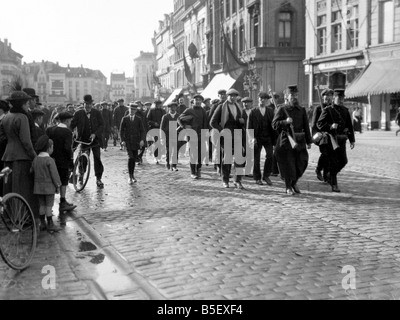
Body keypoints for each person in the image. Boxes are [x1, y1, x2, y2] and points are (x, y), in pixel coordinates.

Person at [0, 91, 40, 228]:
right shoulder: (22, 117)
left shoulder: (6, 117)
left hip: (7, 157)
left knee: (9, 187)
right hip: (21, 157)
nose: (28, 104)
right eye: (26, 102)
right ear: (22, 104)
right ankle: (21, 217)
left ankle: (9, 216)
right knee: (21, 188)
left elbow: (3, 138)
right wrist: (34, 156)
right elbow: (26, 141)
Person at [272, 85, 312, 196]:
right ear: (286, 96)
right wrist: (284, 122)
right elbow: (274, 124)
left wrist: (309, 141)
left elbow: (306, 126)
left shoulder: (301, 110)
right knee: (289, 165)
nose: (294, 97)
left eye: (296, 95)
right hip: (287, 140)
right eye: (292, 95)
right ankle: (288, 186)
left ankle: (294, 182)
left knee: (302, 162)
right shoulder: (282, 109)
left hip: (299, 140)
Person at [317, 88, 355, 192]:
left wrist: (352, 140)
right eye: (339, 97)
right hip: (331, 141)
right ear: (334, 98)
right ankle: (334, 185)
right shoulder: (328, 110)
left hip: (342, 140)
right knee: (333, 162)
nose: (341, 100)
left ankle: (330, 174)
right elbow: (319, 124)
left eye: (342, 98)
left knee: (343, 161)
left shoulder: (345, 111)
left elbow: (349, 126)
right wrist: (330, 126)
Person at [210, 89, 246, 189]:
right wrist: (222, 130)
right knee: (227, 159)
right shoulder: (221, 107)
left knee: (240, 158)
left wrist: (242, 122)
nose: (233, 97)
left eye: (235, 96)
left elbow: (243, 122)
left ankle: (237, 180)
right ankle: (225, 180)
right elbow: (212, 122)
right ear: (227, 96)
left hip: (237, 135)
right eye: (231, 96)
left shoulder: (239, 107)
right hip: (226, 136)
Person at [70, 94, 105, 188]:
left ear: (92, 104)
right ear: (84, 104)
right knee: (83, 159)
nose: (88, 106)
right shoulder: (78, 113)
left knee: (97, 159)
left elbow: (102, 125)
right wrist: (68, 132)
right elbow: (72, 125)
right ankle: (81, 174)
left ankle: (98, 179)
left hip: (95, 141)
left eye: (90, 104)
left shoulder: (97, 113)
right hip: (84, 141)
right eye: (86, 104)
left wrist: (95, 134)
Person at [46, 112, 76, 212]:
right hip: (63, 161)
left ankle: (49, 205)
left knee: (51, 181)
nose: (70, 122)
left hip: (51, 159)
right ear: (67, 121)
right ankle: (62, 202)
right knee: (63, 181)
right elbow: (67, 148)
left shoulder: (50, 129)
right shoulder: (67, 132)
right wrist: (70, 161)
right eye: (70, 121)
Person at [31, 135, 62, 232]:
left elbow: (31, 171)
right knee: (49, 206)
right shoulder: (50, 160)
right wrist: (58, 185)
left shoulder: (36, 159)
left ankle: (42, 224)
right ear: (49, 148)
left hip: (38, 188)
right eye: (52, 147)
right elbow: (55, 175)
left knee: (42, 206)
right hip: (49, 188)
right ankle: (50, 224)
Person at [247, 92, 277, 186]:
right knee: (256, 158)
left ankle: (266, 175)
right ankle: (257, 177)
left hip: (268, 137)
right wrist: (252, 138)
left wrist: (275, 140)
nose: (263, 100)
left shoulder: (270, 111)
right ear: (258, 99)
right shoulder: (253, 111)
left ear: (267, 100)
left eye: (265, 99)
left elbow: (273, 126)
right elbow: (249, 127)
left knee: (270, 155)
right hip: (257, 138)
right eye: (261, 98)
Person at [178, 94, 208, 179]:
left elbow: (205, 123)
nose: (198, 101)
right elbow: (179, 119)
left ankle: (198, 168)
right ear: (193, 101)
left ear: (201, 102)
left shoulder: (203, 111)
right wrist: (184, 126)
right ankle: (193, 172)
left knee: (201, 154)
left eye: (200, 100)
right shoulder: (189, 110)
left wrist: (206, 133)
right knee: (193, 154)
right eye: (196, 100)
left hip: (201, 135)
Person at [311, 88, 333, 183]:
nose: (327, 98)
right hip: (321, 136)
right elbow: (314, 123)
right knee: (325, 153)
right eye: (325, 96)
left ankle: (326, 175)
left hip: (331, 136)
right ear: (322, 97)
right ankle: (318, 169)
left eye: (329, 96)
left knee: (330, 155)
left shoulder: (333, 108)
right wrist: (315, 136)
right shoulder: (318, 108)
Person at [120, 103, 145, 184]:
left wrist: (142, 140)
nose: (132, 111)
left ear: (136, 110)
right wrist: (122, 140)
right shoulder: (125, 119)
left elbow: (142, 131)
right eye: (131, 109)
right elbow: (121, 131)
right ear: (129, 109)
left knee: (133, 159)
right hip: (128, 142)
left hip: (136, 142)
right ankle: (130, 177)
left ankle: (132, 175)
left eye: (134, 110)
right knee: (130, 158)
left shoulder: (138, 119)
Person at [161, 102, 180, 171]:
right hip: (167, 136)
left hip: (176, 136)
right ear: (169, 108)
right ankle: (168, 163)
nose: (173, 109)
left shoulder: (178, 116)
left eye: (174, 107)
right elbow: (162, 128)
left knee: (175, 151)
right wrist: (162, 138)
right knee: (168, 151)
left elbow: (181, 126)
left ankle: (174, 165)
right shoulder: (165, 116)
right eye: (171, 107)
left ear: (176, 108)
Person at [147, 100, 166, 164]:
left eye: (160, 104)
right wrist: (153, 123)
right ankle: (156, 157)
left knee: (161, 144)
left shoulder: (163, 111)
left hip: (162, 129)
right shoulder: (151, 111)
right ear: (156, 105)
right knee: (156, 143)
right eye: (158, 104)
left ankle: (159, 157)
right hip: (154, 129)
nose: (160, 105)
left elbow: (166, 119)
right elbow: (148, 120)